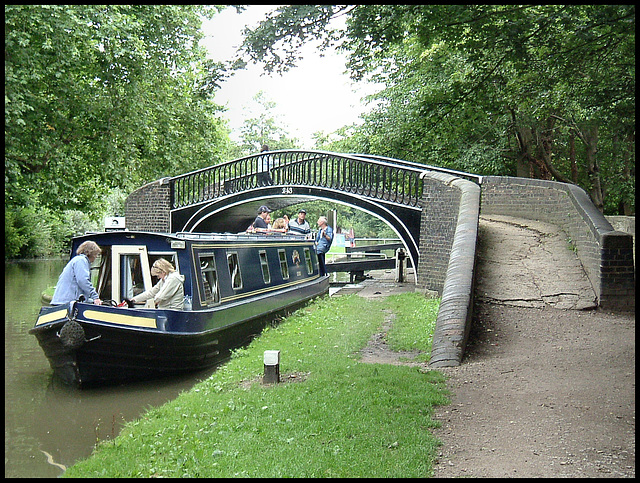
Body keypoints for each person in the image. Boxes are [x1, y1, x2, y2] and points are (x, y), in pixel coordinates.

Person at [51, 240, 103, 305]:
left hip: (63, 301)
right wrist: (95, 297)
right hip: (66, 303)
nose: (96, 257)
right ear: (90, 253)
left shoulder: (78, 260)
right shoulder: (81, 261)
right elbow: (83, 280)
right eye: (96, 254)